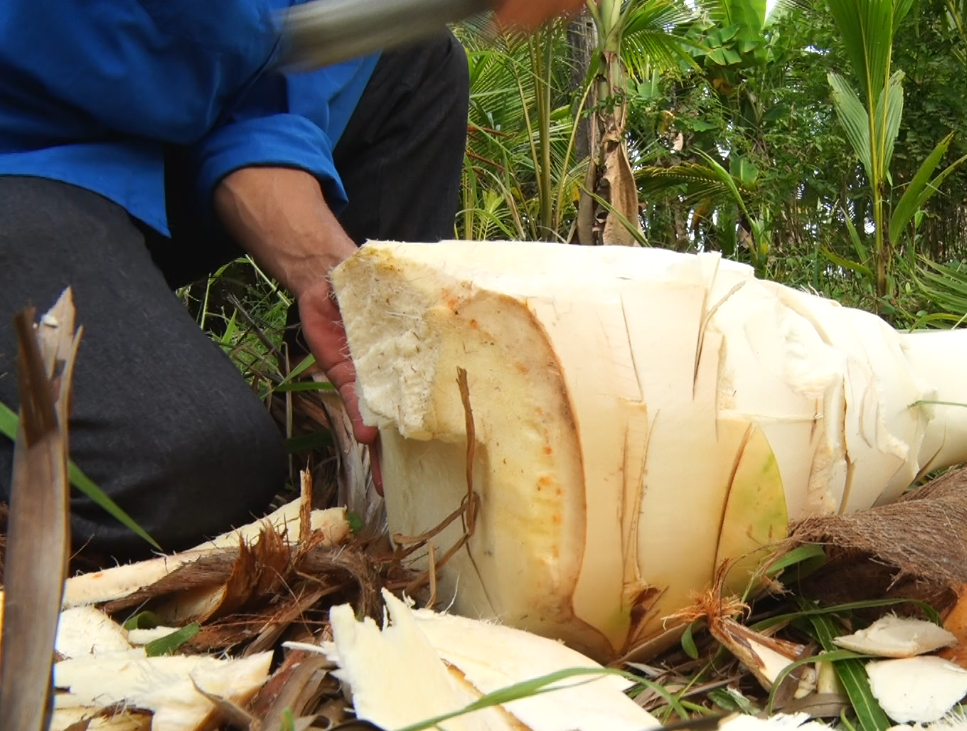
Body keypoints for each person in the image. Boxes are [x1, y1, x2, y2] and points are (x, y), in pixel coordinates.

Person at [0, 0, 579, 560]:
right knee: (196, 471)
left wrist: (331, 272)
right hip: (25, 140)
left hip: (161, 129)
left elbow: (254, 61)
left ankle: (348, 458)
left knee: (416, 63)